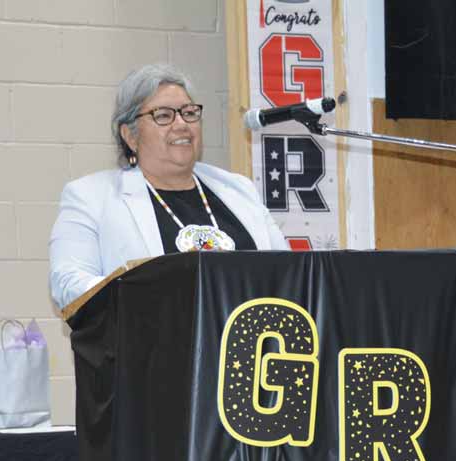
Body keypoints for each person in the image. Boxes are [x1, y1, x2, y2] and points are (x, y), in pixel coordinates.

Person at [49, 64, 289, 309]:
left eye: (189, 112)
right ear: (130, 136)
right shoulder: (91, 197)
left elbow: (289, 273)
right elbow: (67, 284)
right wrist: (147, 293)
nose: (182, 124)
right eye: (163, 115)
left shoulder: (239, 190)